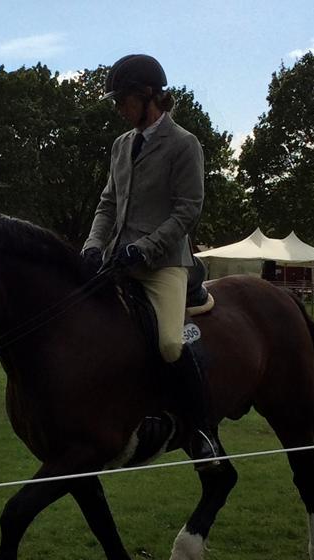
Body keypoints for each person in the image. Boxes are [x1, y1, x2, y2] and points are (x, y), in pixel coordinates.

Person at [80, 53, 218, 466]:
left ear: (148, 96)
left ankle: (201, 430)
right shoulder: (121, 146)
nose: (118, 108)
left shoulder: (184, 144)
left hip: (164, 264)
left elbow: (187, 210)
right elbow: (107, 204)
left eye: (122, 99)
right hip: (117, 260)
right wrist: (91, 245)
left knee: (171, 343)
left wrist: (146, 247)